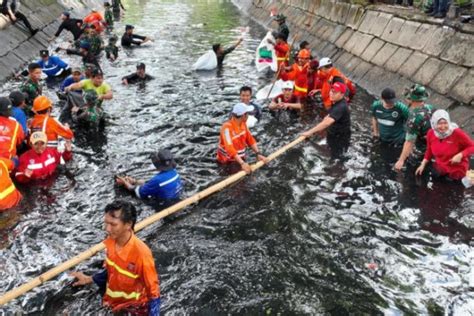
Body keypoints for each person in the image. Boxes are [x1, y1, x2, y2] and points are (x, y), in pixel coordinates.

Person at [70, 201, 160, 314]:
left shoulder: (142, 254)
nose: (107, 229)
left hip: (132, 308)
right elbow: (112, 270)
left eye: (113, 224)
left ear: (128, 224)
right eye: (106, 223)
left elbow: (154, 293)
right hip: (111, 303)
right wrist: (89, 279)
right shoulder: (111, 242)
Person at [415, 110, 474, 181]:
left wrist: (461, 155)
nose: (443, 127)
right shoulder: (430, 133)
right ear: (434, 124)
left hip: (457, 168)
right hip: (441, 165)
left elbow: (472, 146)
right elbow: (429, 150)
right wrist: (423, 164)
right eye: (439, 123)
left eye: (445, 123)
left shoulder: (456, 133)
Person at [301, 82, 351, 159]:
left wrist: (309, 132)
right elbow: (328, 117)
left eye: (335, 92)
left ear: (342, 94)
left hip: (339, 138)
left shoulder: (340, 107)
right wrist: (318, 129)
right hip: (334, 133)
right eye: (331, 90)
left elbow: (327, 123)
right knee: (328, 150)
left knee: (334, 158)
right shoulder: (337, 102)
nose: (331, 93)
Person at [217, 103, 268, 173]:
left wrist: (258, 153)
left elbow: (250, 140)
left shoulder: (243, 124)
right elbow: (229, 148)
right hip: (227, 162)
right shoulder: (226, 128)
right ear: (244, 115)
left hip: (239, 159)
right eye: (247, 114)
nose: (248, 115)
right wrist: (242, 163)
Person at [116, 149, 182, 203]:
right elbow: (153, 184)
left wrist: (124, 182)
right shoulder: (174, 172)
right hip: (176, 199)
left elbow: (138, 192)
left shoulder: (157, 180)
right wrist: (134, 181)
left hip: (164, 205)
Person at [394, 84, 435, 171]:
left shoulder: (414, 117)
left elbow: (409, 141)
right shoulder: (431, 108)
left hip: (421, 151)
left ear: (410, 99)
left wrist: (401, 160)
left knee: (412, 171)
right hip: (434, 148)